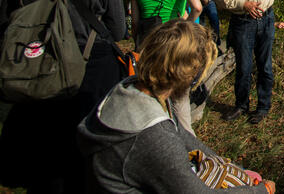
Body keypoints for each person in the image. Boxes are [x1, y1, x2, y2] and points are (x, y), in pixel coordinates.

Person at [0, 0, 126, 193]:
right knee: (86, 145)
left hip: (39, 65)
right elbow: (117, 31)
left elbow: (5, 30)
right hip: (90, 68)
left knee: (45, 147)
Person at [78, 20, 273, 193]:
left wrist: (230, 166)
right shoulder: (154, 136)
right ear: (191, 73)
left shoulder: (130, 86)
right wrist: (261, 190)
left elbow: (182, 134)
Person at [131, 0, 202, 133]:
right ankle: (187, 143)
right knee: (179, 96)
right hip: (173, 42)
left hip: (147, 45)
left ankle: (154, 132)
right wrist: (187, 26)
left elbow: (135, 22)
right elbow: (197, 7)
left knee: (150, 92)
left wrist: (137, 45)